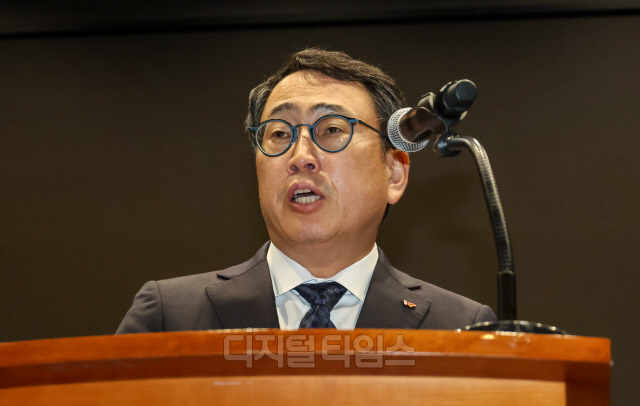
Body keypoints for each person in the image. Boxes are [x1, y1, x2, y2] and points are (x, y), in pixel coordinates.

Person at [116, 48, 496, 334]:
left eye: (332, 129)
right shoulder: (170, 316)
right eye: (280, 133)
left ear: (394, 173)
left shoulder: (458, 327)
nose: (300, 157)